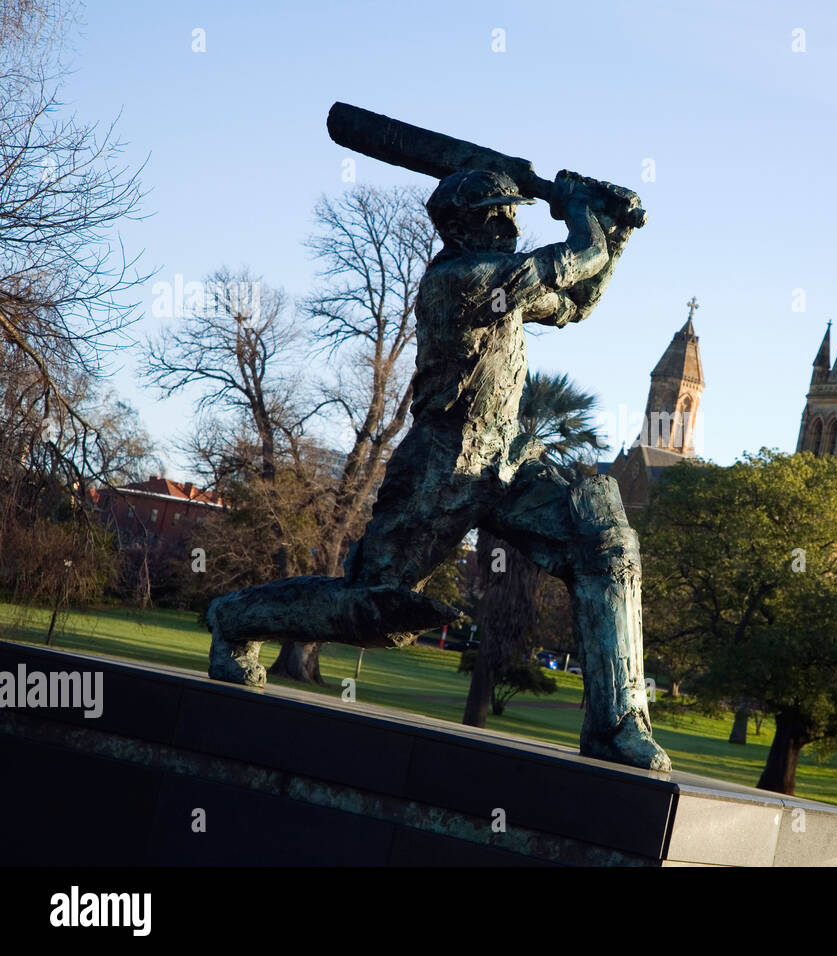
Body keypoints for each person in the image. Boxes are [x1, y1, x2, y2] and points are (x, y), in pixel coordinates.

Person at [206, 169, 670, 772]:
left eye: (512, 213)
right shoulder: (461, 280)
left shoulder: (502, 283)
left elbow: (577, 301)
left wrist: (617, 233)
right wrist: (584, 211)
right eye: (496, 213)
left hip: (506, 457)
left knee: (605, 542)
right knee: (377, 611)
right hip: (443, 465)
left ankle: (616, 725)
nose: (510, 223)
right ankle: (235, 619)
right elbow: (571, 259)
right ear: (460, 226)